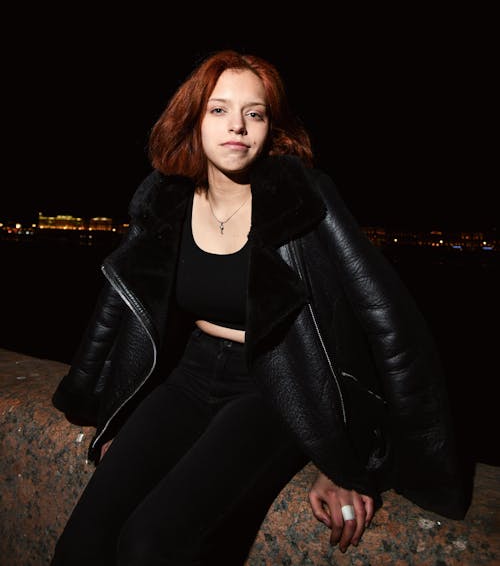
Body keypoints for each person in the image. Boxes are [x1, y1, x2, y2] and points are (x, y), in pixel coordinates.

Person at [50, 49, 467, 565]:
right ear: (193, 119)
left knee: (150, 543)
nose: (238, 127)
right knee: (81, 546)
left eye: (255, 113)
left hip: (276, 383)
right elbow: (119, 305)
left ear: (272, 128)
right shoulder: (164, 196)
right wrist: (102, 404)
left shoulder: (304, 196)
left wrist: (352, 460)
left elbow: (387, 326)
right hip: (188, 374)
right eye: (219, 109)